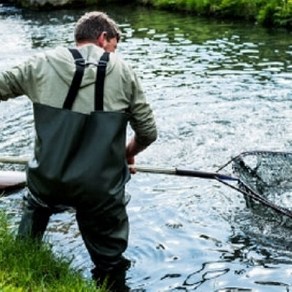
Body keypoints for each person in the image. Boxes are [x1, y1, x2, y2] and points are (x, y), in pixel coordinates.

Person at [0, 11, 157, 291]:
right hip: (99, 190)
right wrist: (127, 153)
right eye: (114, 46)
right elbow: (148, 133)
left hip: (47, 180)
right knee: (111, 262)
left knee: (36, 201)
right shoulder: (124, 71)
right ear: (103, 38)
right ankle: (111, 281)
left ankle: (21, 252)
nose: (113, 52)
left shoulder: (41, 62)